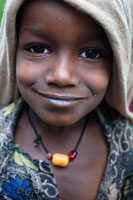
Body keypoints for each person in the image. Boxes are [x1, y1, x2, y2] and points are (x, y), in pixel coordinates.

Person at [0, 0, 133, 199]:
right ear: (12, 51)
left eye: (91, 53)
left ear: (118, 63)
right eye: (37, 49)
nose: (62, 76)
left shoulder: (127, 142)